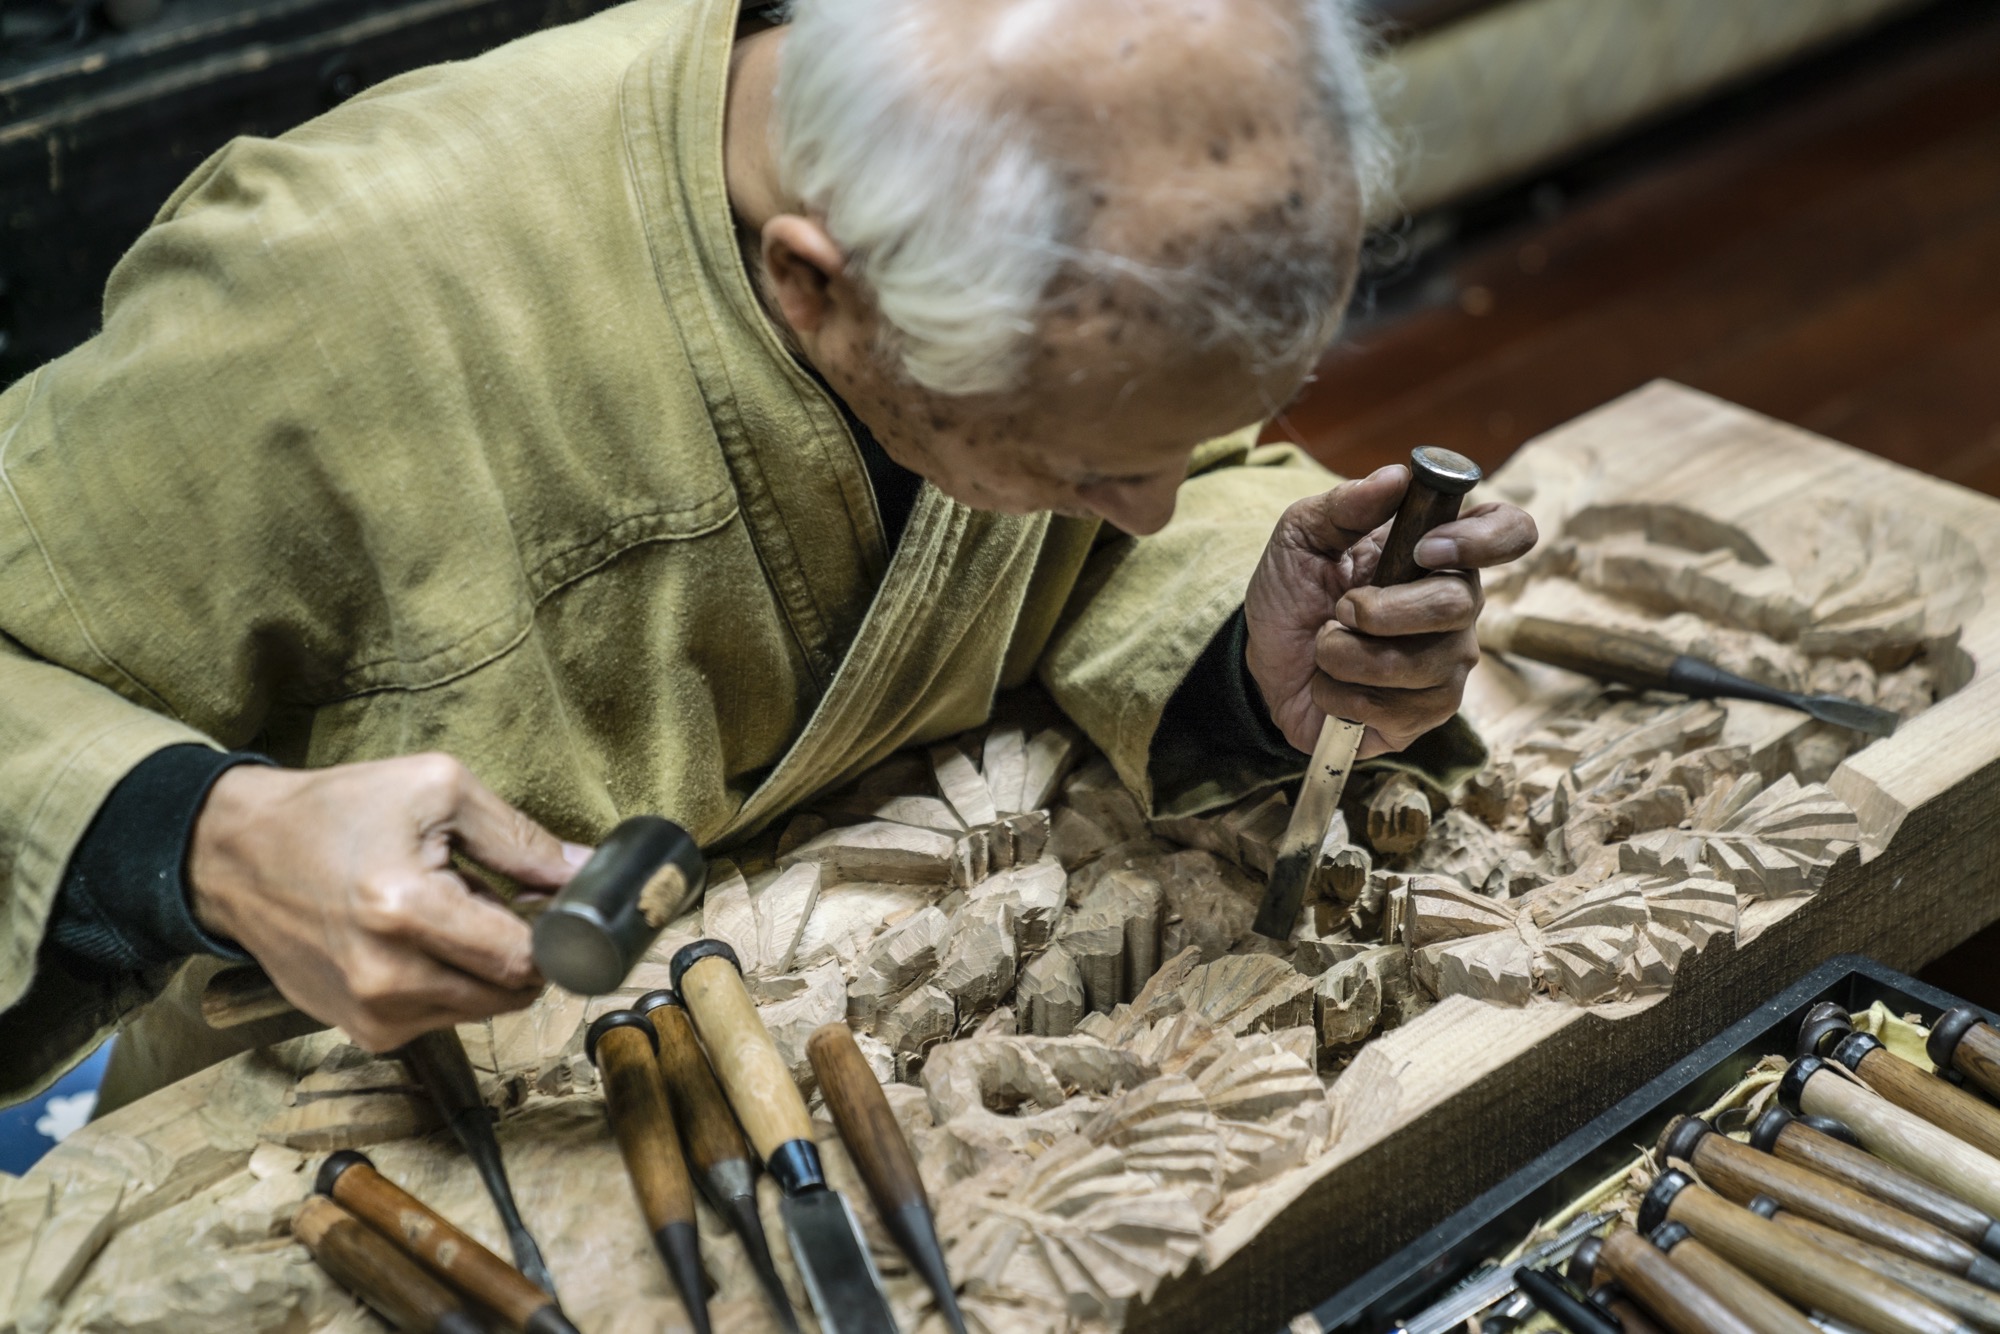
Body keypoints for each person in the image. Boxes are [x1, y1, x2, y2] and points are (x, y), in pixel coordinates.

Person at [0, 0, 1536, 1107]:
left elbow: (1173, 485)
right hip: (379, 1124)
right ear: (818, 293)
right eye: (1081, 464)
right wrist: (201, 836)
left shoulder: (1046, 257)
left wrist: (1248, 651)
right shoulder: (320, 287)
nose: (1138, 503)